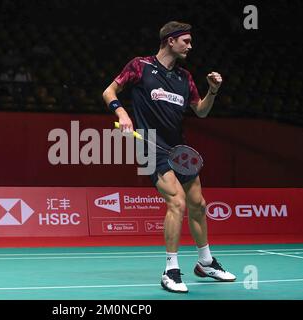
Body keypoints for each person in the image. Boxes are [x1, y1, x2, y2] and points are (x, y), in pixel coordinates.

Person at [102, 21, 236, 293]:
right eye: (185, 41)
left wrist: (212, 90)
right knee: (177, 201)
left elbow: (200, 111)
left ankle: (206, 262)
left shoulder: (184, 78)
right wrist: (122, 113)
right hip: (150, 146)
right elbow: (109, 91)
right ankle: (171, 270)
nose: (190, 45)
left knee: (198, 204)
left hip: (178, 150)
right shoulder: (140, 66)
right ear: (169, 41)